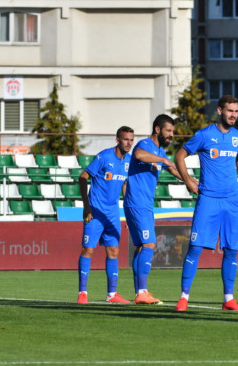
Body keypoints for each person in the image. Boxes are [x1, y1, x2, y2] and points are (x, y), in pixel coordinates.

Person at [174, 95, 238, 312]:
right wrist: (188, 180)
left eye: (236, 111)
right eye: (229, 111)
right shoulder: (204, 135)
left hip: (232, 201)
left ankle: (228, 299)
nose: (233, 115)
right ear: (219, 111)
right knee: (195, 248)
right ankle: (184, 297)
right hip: (208, 199)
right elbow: (180, 156)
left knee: (231, 250)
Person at [124, 114, 183, 305]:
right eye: (168, 131)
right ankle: (142, 292)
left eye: (173, 132)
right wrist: (163, 161)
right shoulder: (145, 145)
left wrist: (191, 181)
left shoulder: (159, 151)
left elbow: (173, 168)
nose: (171, 135)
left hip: (143, 204)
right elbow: (138, 155)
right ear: (157, 129)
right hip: (138, 203)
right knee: (149, 245)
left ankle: (140, 292)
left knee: (141, 246)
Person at [77, 126, 134, 304]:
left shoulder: (130, 161)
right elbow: (83, 177)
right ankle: (82, 293)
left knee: (114, 251)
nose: (129, 143)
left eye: (132, 140)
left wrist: (129, 210)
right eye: (126, 139)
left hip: (112, 214)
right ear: (118, 140)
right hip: (95, 212)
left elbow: (125, 185)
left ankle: (111, 294)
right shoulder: (104, 156)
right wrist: (86, 207)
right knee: (88, 250)